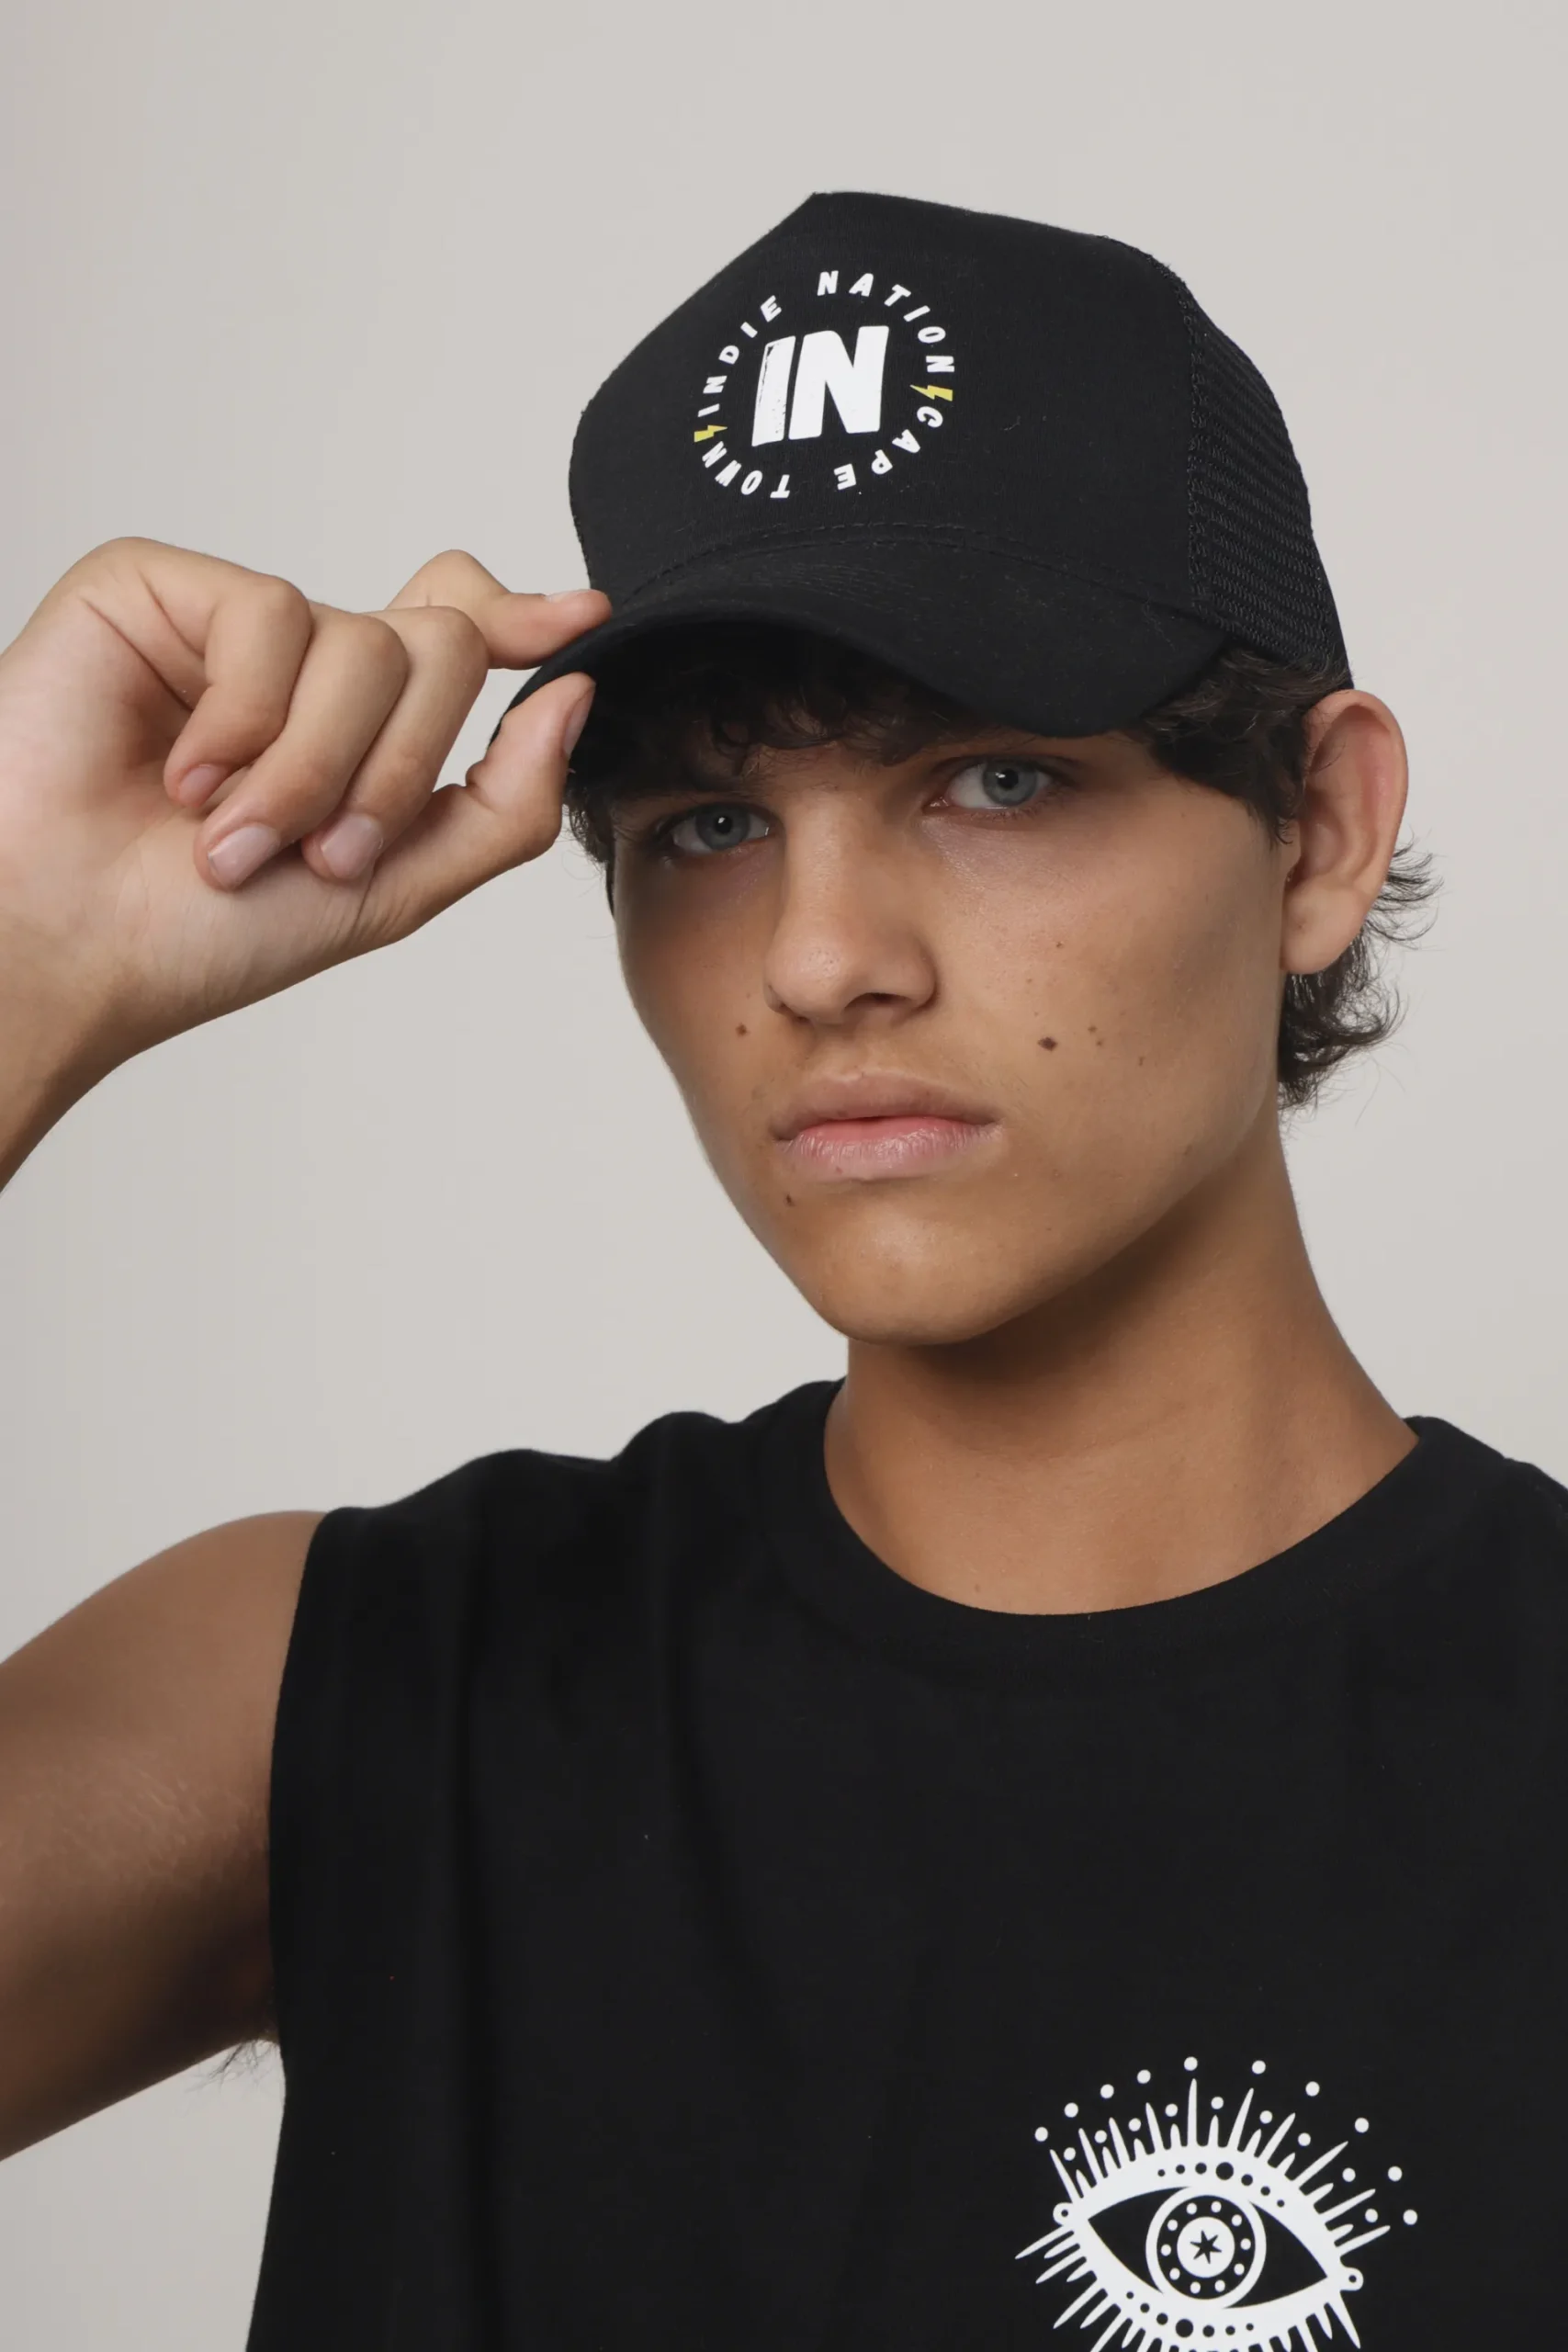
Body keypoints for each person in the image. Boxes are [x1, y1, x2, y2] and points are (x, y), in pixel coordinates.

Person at [0, 188, 1558, 2350]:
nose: (822, 959)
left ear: (1319, 830)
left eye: (994, 776)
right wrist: (21, 963)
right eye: (709, 826)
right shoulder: (347, 1693)